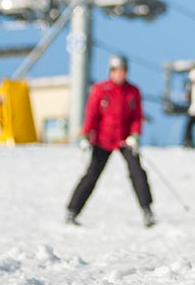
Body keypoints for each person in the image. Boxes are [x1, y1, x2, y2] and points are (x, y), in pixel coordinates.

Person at [66, 54, 155, 227]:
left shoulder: (133, 91)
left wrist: (135, 134)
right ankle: (72, 211)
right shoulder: (101, 89)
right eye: (116, 71)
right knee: (92, 174)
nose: (119, 75)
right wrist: (85, 134)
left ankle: (147, 211)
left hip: (124, 139)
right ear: (111, 72)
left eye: (122, 71)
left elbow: (136, 116)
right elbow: (92, 114)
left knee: (137, 172)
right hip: (103, 139)